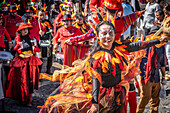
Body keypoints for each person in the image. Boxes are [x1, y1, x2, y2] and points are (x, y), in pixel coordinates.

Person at [39, 21, 168, 113]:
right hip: (102, 95)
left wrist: (157, 41)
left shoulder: (118, 47)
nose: (108, 36)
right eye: (104, 33)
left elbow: (138, 45)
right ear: (98, 36)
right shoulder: (96, 56)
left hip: (118, 92)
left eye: (110, 33)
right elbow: (96, 80)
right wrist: (95, 103)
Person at [5, 22, 42, 107]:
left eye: (26, 29)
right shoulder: (17, 39)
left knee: (30, 80)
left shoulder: (33, 39)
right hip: (21, 61)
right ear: (20, 31)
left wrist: (35, 47)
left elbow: (37, 50)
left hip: (31, 61)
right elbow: (13, 51)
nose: (25, 31)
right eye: (22, 30)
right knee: (21, 80)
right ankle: (21, 98)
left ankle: (28, 99)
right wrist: (16, 46)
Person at [136, 25, 166, 113]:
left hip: (156, 76)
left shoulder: (161, 47)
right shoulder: (144, 45)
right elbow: (136, 61)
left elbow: (162, 63)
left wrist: (163, 76)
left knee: (155, 101)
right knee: (145, 98)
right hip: (145, 77)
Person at [38, 10, 53, 74]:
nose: (42, 17)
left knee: (50, 55)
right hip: (39, 41)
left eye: (43, 15)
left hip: (46, 40)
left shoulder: (47, 22)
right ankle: (39, 71)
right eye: (40, 15)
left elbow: (51, 29)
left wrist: (47, 32)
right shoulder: (36, 22)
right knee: (39, 57)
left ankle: (48, 69)